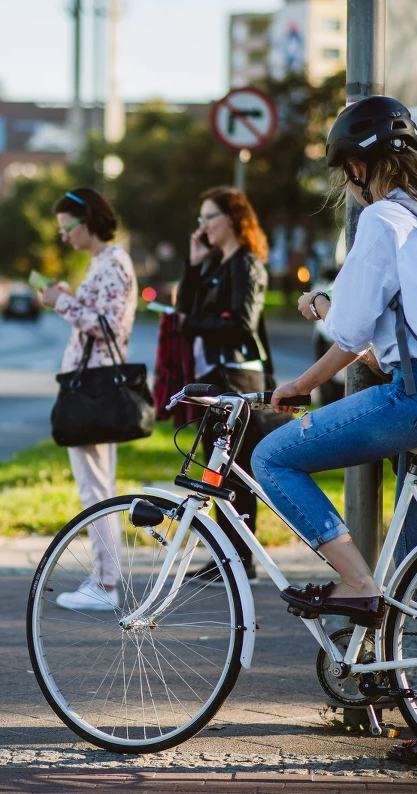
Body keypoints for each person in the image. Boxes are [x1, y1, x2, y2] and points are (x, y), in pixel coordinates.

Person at [249, 96, 417, 759]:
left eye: (344, 171)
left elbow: (349, 328)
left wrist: (302, 370)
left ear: (358, 165)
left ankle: (359, 583)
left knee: (274, 456)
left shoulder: (383, 217)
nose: (345, 184)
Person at [41, 187, 139, 612]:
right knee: (98, 486)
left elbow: (109, 326)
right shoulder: (103, 263)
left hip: (96, 388)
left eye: (67, 228)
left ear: (89, 221)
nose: (64, 237)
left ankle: (104, 584)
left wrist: (62, 303)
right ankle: (103, 579)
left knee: (95, 489)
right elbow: (97, 315)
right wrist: (71, 299)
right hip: (94, 384)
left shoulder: (113, 262)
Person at [176, 186, 272, 578]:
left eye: (208, 218)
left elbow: (241, 325)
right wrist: (195, 265)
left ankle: (239, 561)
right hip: (216, 378)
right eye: (200, 219)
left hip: (237, 377)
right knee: (219, 470)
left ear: (232, 219)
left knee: (235, 471)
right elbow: (187, 310)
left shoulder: (247, 264)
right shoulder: (217, 263)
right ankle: (226, 558)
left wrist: (193, 323)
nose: (202, 227)